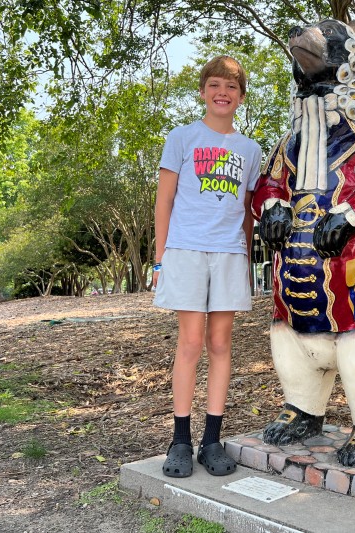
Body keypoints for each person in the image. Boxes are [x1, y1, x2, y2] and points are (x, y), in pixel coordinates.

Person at [151, 56, 262, 478]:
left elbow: (247, 211)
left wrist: (246, 258)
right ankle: (180, 440)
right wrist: (159, 258)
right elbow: (164, 201)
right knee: (191, 343)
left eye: (231, 87)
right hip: (186, 249)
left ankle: (211, 440)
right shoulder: (181, 138)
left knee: (220, 344)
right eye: (215, 85)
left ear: (241, 97)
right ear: (202, 91)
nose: (222, 92)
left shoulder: (250, 150)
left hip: (229, 253)